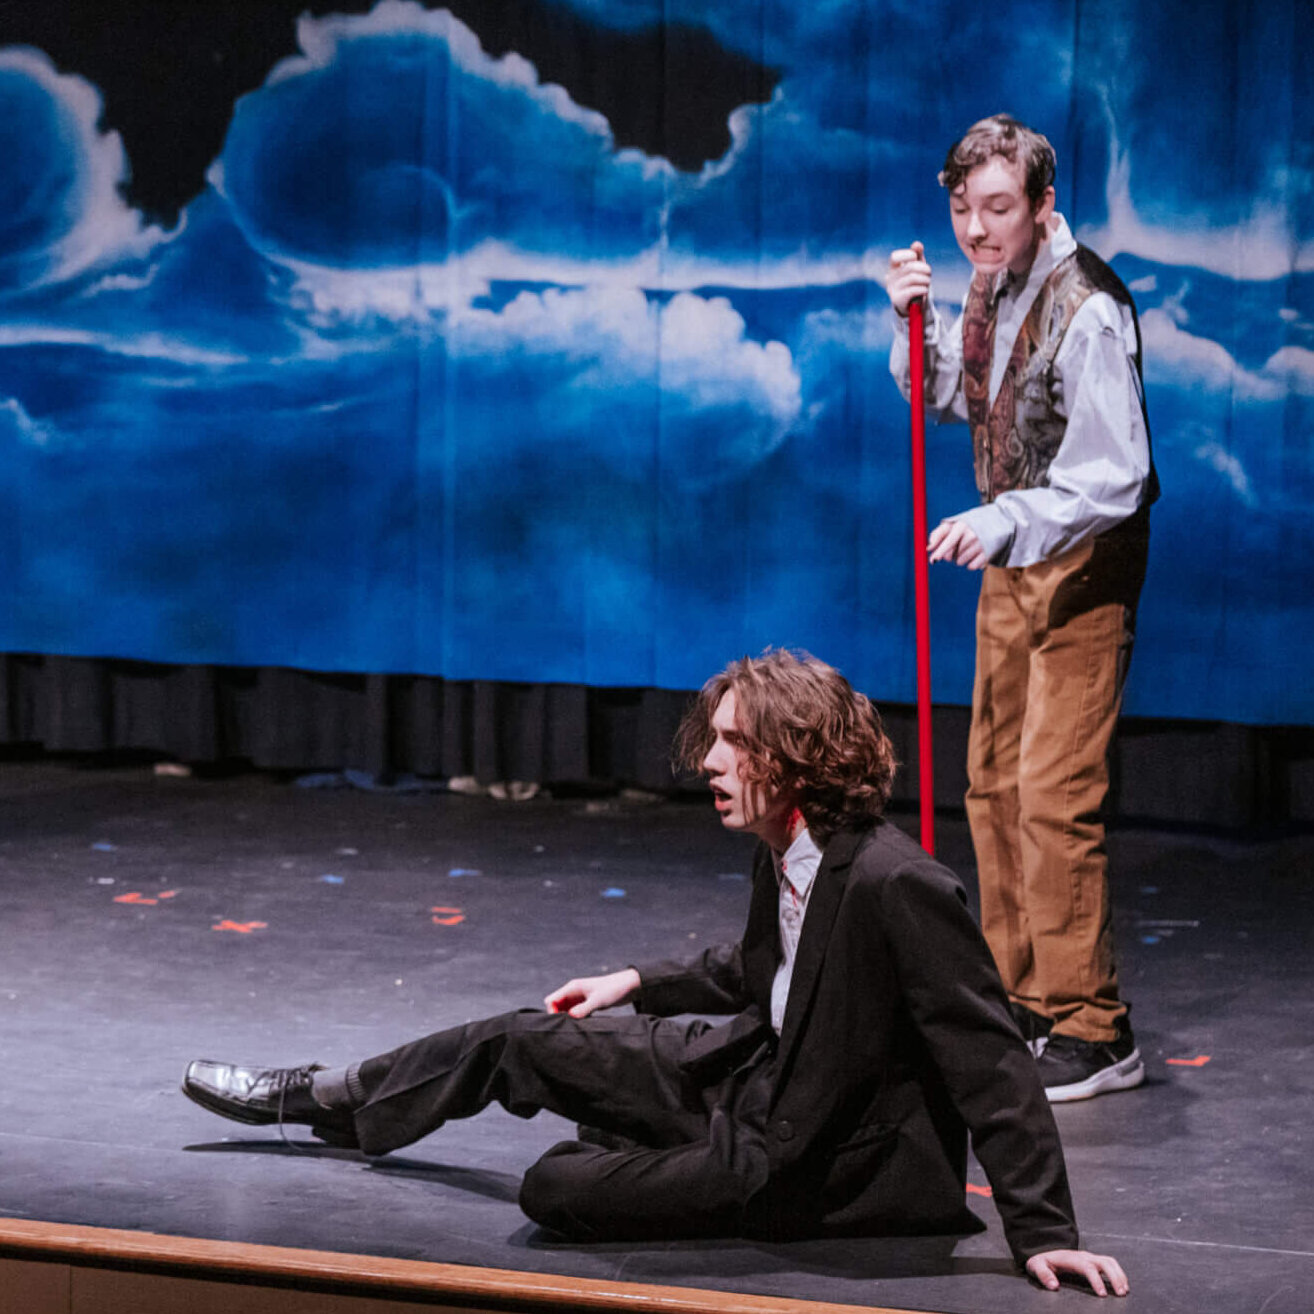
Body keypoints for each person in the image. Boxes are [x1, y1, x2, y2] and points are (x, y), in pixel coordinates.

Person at [183, 649, 1128, 1296]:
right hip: (749, 1078)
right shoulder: (786, 849)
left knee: (553, 1188)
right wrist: (634, 981)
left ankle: (636, 1146)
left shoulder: (897, 884)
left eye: (734, 744)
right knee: (521, 1038)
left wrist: (1046, 1234)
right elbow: (766, 972)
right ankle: (321, 1098)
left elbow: (989, 1063)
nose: (709, 762)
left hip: (811, 1161)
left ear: (795, 757)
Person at [886, 114, 1156, 1102]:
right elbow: (952, 399)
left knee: (1050, 791)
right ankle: (1023, 998)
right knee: (993, 784)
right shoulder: (990, 284)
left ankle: (1093, 1026)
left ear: (1043, 205)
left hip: (1080, 563)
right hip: (1011, 552)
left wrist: (1008, 521)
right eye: (964, 208)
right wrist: (911, 327)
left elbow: (1116, 475)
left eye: (997, 207)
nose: (976, 228)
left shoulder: (1088, 307)